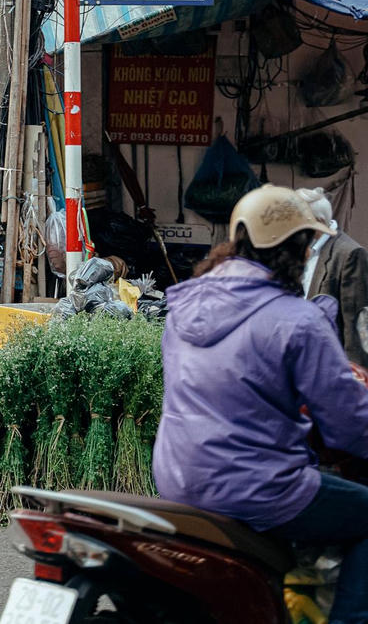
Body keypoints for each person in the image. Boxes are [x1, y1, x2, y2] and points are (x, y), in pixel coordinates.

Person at [154, 184, 368, 624]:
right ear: (295, 251)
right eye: (307, 247)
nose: (310, 256)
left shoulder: (185, 307)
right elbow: (349, 426)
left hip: (177, 481)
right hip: (257, 489)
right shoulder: (298, 320)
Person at [299, 187, 368, 366]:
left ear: (319, 221)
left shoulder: (349, 254)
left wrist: (356, 378)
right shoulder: (297, 248)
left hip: (329, 366)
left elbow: (356, 326)